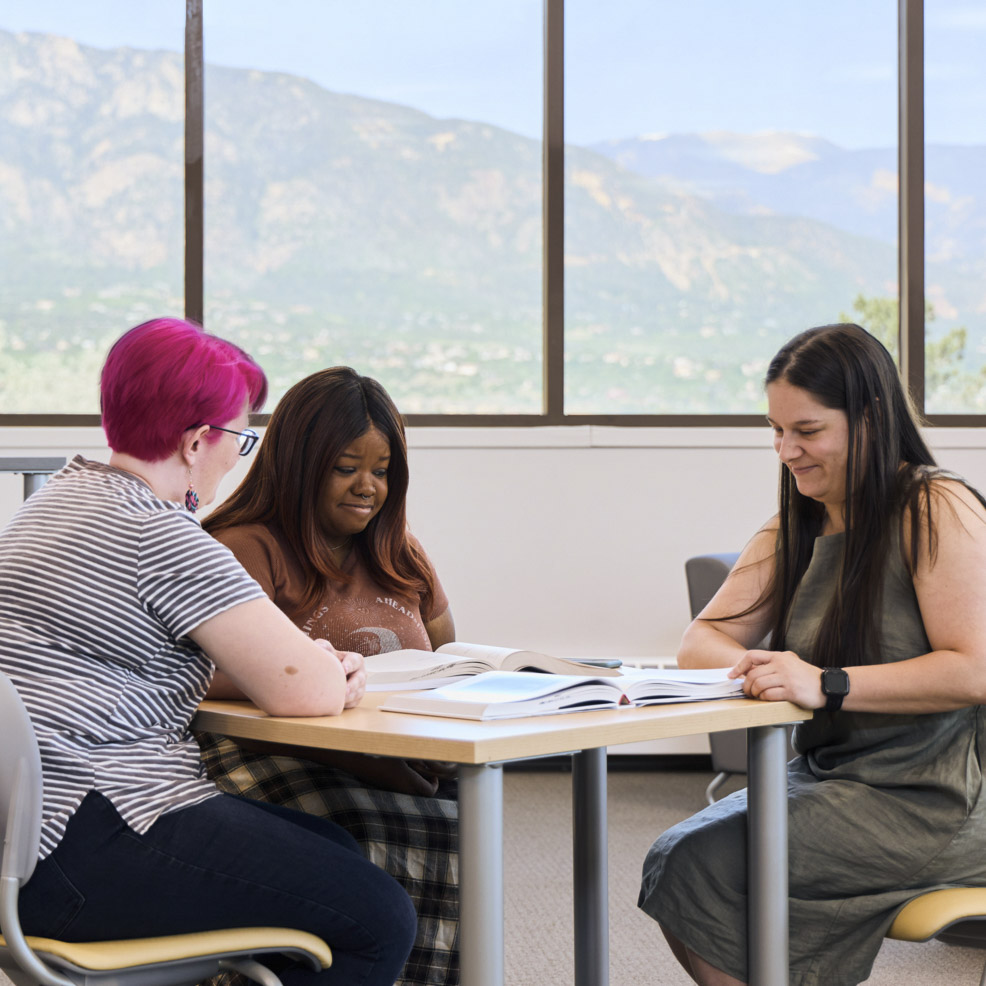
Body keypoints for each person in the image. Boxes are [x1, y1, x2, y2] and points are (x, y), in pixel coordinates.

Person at [0, 318, 416, 986]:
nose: (235, 457)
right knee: (378, 918)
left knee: (332, 851)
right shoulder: (161, 535)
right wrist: (330, 668)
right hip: (88, 839)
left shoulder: (51, 503)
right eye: (240, 437)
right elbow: (304, 691)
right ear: (198, 440)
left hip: (22, 839)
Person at [638, 323, 986, 986]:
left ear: (870, 418)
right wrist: (764, 672)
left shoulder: (935, 506)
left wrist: (822, 683)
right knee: (678, 856)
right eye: (775, 430)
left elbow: (975, 670)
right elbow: (700, 643)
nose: (786, 450)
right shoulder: (794, 524)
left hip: (935, 798)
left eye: (807, 430)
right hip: (831, 778)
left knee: (704, 862)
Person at [199, 366, 459, 986]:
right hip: (270, 755)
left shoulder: (402, 553)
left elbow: (452, 658)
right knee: (398, 828)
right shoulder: (245, 547)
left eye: (383, 470)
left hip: (399, 753)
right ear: (299, 462)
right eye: (347, 467)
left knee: (467, 820)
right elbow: (204, 677)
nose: (368, 486)